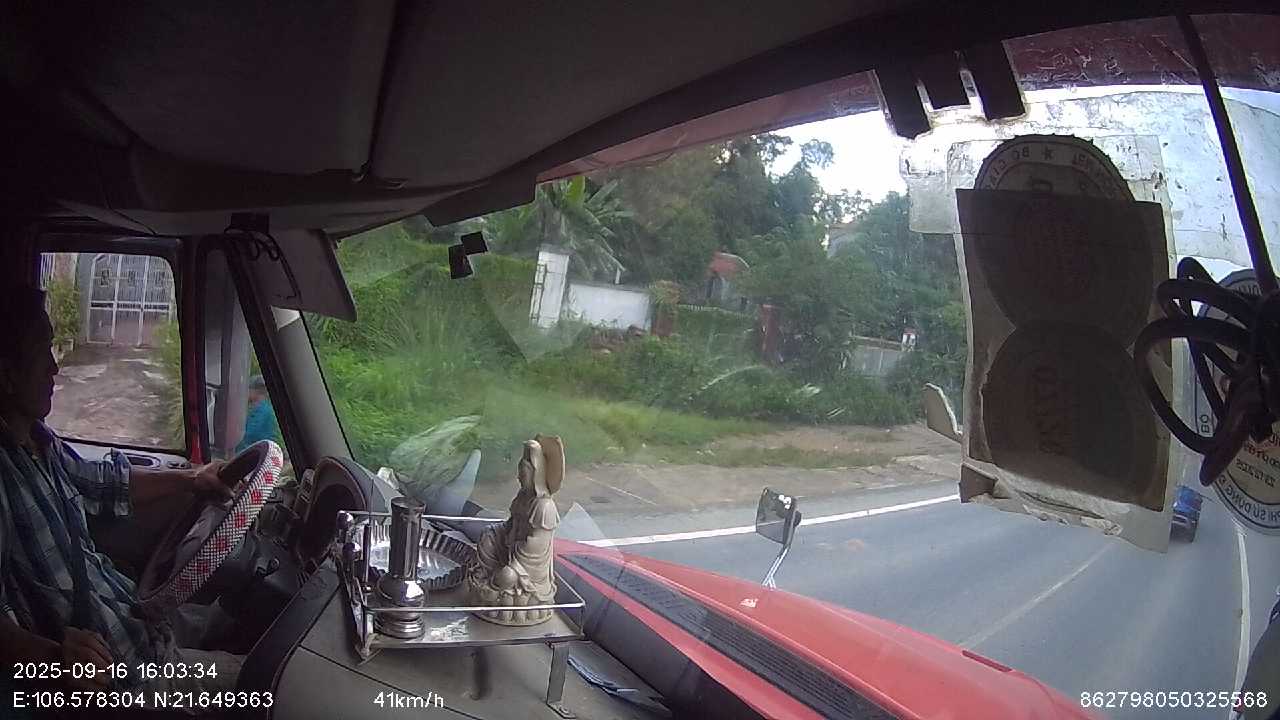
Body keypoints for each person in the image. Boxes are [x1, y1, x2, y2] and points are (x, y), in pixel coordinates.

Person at [0, 284, 242, 705]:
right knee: (269, 680)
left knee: (243, 612)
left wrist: (192, 479)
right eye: (42, 352)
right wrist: (53, 658)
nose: (54, 367)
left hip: (133, 618)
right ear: (6, 375)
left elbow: (105, 483)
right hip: (123, 676)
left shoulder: (41, 442)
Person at [236, 375, 278, 454]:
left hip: (258, 452)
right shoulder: (260, 408)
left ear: (255, 391)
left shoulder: (263, 410)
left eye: (249, 389)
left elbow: (250, 434)